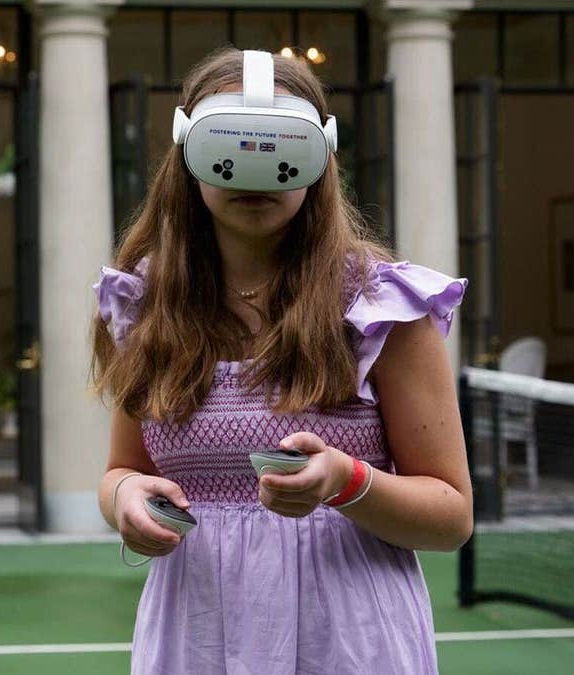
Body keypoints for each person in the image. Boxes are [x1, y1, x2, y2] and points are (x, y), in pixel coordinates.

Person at [92, 48, 473, 674]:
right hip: (197, 634)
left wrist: (347, 483)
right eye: (231, 146)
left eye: (279, 149)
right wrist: (127, 497)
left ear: (319, 156)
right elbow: (119, 473)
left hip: (349, 642)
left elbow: (451, 516)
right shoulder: (147, 305)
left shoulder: (382, 309)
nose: (254, 173)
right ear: (187, 151)